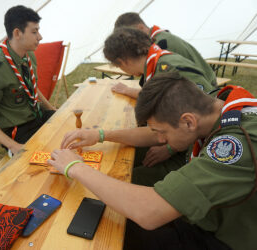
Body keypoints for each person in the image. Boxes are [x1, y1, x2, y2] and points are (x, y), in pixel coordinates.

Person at [48, 72, 257, 250]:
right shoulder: (214, 107)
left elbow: (149, 212)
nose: (158, 140)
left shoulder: (236, 145)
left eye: (161, 132)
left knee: (111, 229)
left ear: (188, 121)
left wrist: (75, 167)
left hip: (226, 240)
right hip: (213, 218)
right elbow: (155, 132)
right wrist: (102, 135)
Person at [104, 27, 217, 169]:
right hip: (178, 137)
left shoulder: (172, 68)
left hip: (198, 149)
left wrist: (170, 148)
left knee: (129, 174)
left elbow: (205, 113)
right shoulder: (157, 63)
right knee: (120, 153)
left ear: (123, 62)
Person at [0, 5, 56, 156]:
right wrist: (13, 145)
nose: (40, 37)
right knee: (45, 158)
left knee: (67, 128)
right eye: (34, 32)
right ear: (17, 33)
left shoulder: (29, 55)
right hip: (17, 129)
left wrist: (52, 110)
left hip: (36, 116)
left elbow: (31, 88)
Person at [112, 12, 217, 95]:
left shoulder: (161, 44)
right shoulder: (160, 38)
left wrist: (127, 90)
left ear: (140, 28)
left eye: (130, 37)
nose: (129, 42)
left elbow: (158, 94)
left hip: (205, 91)